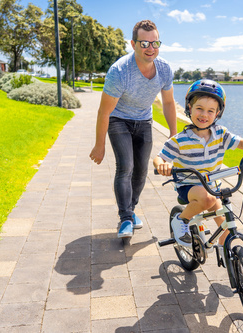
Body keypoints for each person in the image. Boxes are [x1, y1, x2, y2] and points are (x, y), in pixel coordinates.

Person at [153, 79, 243, 251]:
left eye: (211, 111)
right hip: (189, 186)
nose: (204, 114)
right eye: (199, 108)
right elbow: (159, 158)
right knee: (208, 199)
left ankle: (227, 254)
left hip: (212, 185)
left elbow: (240, 143)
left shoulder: (221, 134)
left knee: (226, 226)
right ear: (189, 109)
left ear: (217, 114)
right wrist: (162, 165)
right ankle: (180, 220)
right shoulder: (180, 140)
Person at [89, 20, 177, 239]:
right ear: (133, 44)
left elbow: (168, 103)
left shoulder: (164, 69)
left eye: (155, 43)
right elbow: (104, 112)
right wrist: (99, 145)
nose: (150, 48)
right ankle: (126, 218)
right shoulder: (119, 71)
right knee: (125, 167)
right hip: (119, 119)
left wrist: (173, 134)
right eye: (144, 43)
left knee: (141, 172)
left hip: (144, 120)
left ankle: (130, 210)